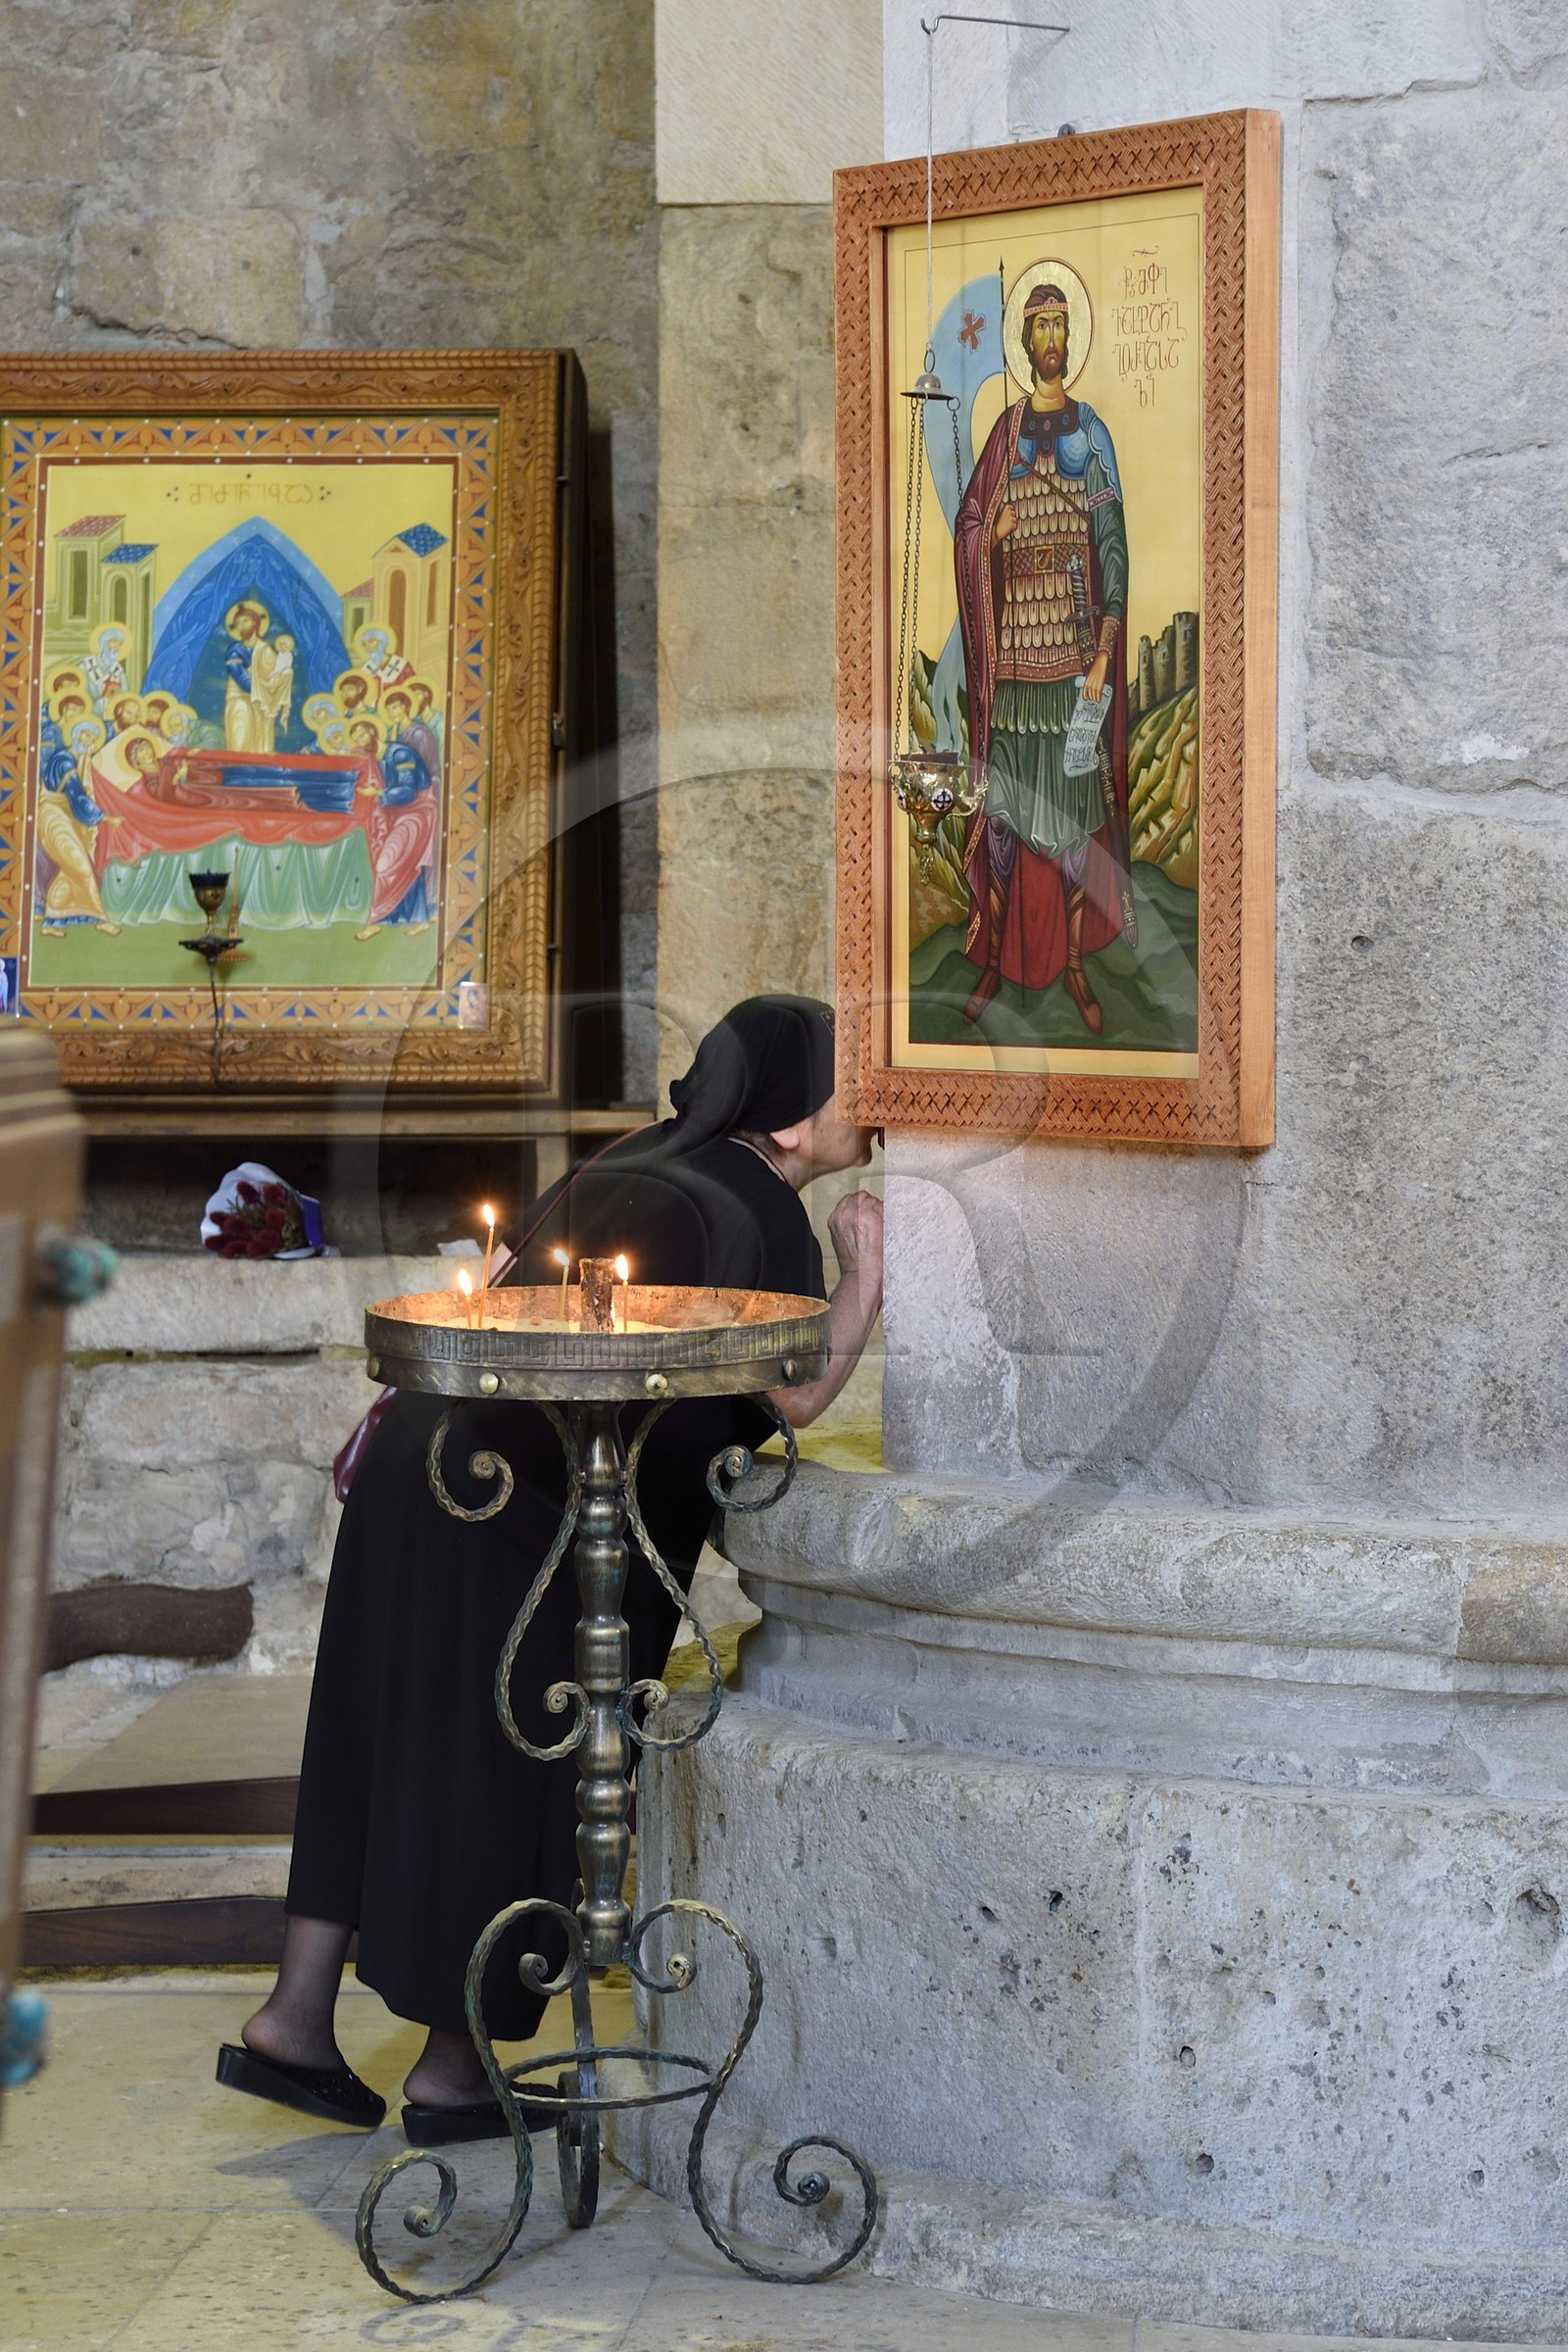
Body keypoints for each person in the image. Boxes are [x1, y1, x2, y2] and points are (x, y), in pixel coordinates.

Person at [219, 998, 883, 2139]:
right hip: (522, 1509)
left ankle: (294, 2018)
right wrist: (864, 1271)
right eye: (851, 1084)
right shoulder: (756, 1201)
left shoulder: (636, 1156)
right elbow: (795, 1393)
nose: (871, 1108)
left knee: (372, 1739)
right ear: (788, 1107)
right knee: (514, 1772)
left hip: (425, 1462)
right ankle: (454, 2070)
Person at [955, 279, 1131, 1029]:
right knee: (1003, 820)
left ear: (1070, 339)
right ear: (1027, 344)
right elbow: (970, 519)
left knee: (1068, 824)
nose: (1053, 338)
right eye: (1041, 326)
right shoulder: (1004, 433)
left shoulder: (1091, 437)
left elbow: (1113, 546)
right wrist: (986, 541)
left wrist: (1105, 651)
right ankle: (995, 960)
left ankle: (1078, 970)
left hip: (1070, 659)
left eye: (1062, 325)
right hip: (1013, 663)